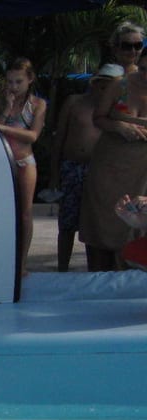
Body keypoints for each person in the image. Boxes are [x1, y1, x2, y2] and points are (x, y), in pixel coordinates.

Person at [47, 64, 121, 271]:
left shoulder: (117, 110)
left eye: (109, 86)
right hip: (72, 167)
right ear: (94, 83)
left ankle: (94, 268)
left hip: (101, 171)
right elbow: (59, 138)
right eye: (101, 85)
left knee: (94, 223)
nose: (104, 90)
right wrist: (54, 175)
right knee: (68, 222)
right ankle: (62, 267)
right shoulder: (75, 102)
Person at [80, 46, 147, 271]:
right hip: (109, 164)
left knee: (135, 222)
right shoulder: (121, 84)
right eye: (144, 69)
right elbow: (98, 118)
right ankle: (98, 278)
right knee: (102, 223)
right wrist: (118, 125)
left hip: (141, 169)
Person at [0, 58, 47, 277]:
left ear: (30, 80)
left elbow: (33, 135)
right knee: (1, 213)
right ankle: (2, 257)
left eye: (18, 82)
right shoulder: (2, 100)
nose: (13, 87)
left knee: (24, 213)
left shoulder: (38, 105)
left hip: (24, 161)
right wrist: (7, 109)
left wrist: (4, 127)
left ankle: (22, 262)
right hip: (2, 161)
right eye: (10, 81)